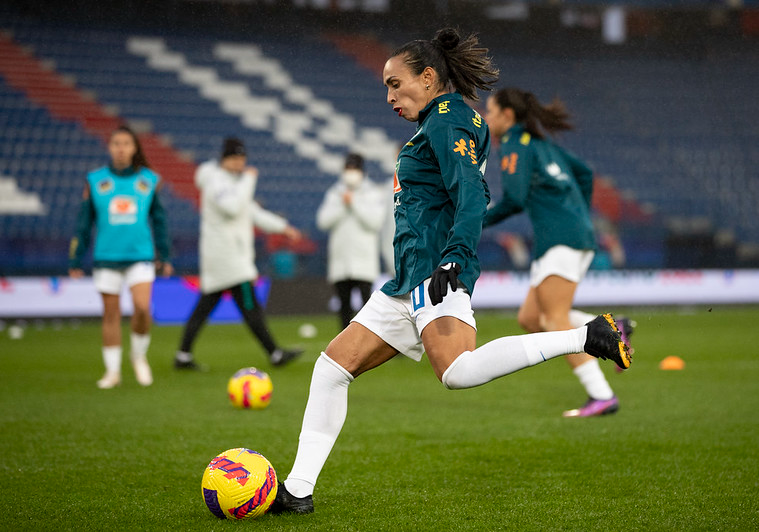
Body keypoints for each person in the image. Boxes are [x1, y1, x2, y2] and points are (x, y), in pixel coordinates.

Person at [269, 28, 631, 515]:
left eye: (396, 84)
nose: (390, 96)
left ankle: (585, 337)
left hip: (434, 270)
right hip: (406, 278)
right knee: (332, 368)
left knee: (457, 373)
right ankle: (297, 491)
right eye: (385, 88)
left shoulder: (446, 118)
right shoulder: (440, 121)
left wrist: (456, 255)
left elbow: (469, 192)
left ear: (428, 76)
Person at [482, 88, 635, 417]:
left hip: (559, 239)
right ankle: (612, 327)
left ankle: (602, 396)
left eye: (491, 111)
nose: (486, 117)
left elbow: (514, 199)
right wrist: (576, 210)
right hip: (572, 234)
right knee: (530, 318)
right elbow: (584, 174)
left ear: (508, 116)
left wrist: (476, 222)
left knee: (554, 320)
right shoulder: (541, 144)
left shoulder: (513, 144)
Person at [173, 137, 304, 370]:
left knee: (206, 306)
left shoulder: (233, 184)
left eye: (241, 158)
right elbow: (233, 207)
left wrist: (283, 227)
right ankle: (274, 353)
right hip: (228, 258)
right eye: (234, 158)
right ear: (223, 159)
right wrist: (250, 180)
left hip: (227, 258)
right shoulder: (216, 181)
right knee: (250, 306)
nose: (239, 163)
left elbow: (253, 212)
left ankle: (183, 356)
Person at [69, 125, 173, 389]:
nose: (121, 148)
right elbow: (84, 223)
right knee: (110, 315)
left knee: (141, 308)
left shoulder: (148, 180)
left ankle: (138, 357)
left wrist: (165, 254)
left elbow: (159, 220)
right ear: (110, 147)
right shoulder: (95, 180)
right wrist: (75, 258)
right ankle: (112, 372)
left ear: (135, 148)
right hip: (106, 257)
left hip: (140, 255)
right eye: (116, 143)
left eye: (126, 143)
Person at [316, 153, 386, 329]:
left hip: (364, 262)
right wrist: (343, 205)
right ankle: (345, 350)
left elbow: (375, 222)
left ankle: (374, 344)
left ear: (362, 171)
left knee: (368, 309)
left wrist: (353, 203)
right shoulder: (335, 192)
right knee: (344, 310)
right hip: (341, 262)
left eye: (354, 169)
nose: (351, 173)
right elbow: (323, 221)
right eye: (348, 169)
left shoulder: (372, 192)